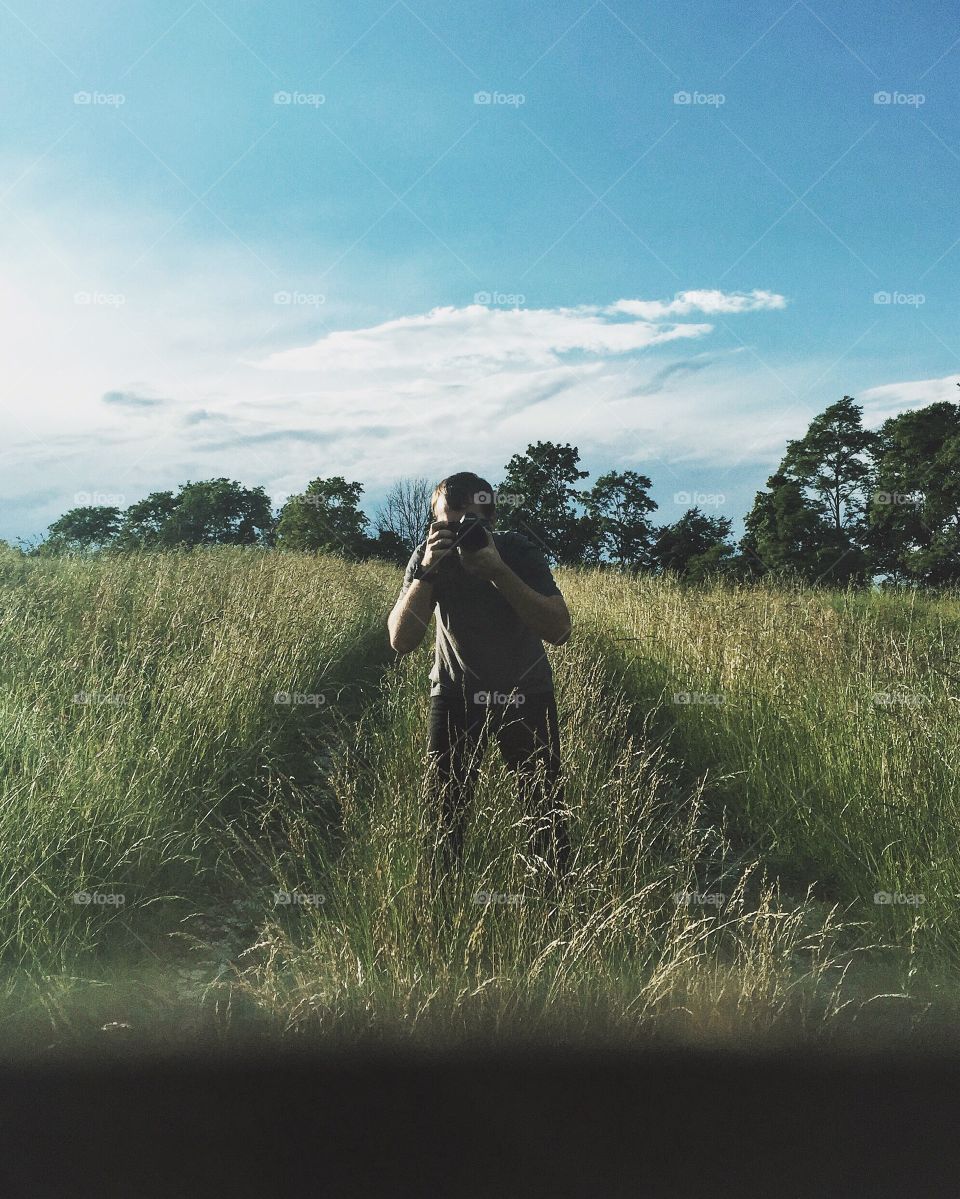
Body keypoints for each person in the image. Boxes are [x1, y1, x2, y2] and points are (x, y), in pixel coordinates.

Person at [387, 471, 572, 883]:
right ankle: (438, 912)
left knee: (545, 816)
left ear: (491, 523)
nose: (459, 534)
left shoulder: (517, 553)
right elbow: (400, 641)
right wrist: (428, 572)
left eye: (472, 524)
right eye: (447, 525)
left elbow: (560, 630)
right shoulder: (426, 557)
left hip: (525, 694)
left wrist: (499, 572)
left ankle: (554, 909)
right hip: (455, 695)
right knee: (442, 820)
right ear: (434, 524)